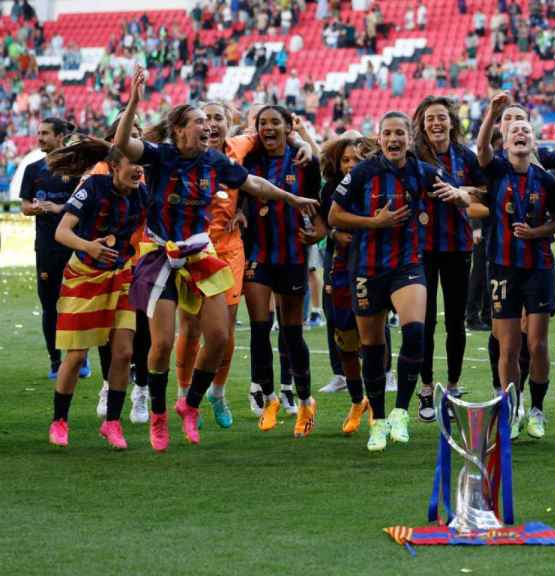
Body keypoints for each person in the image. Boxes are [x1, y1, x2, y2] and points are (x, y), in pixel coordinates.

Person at [115, 66, 319, 451]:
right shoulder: (161, 156)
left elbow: (254, 183)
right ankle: (158, 416)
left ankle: (189, 405)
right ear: (178, 130)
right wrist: (133, 103)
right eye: (197, 122)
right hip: (161, 253)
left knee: (221, 337)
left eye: (209, 122)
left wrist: (292, 198)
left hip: (198, 252)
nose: (206, 127)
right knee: (159, 345)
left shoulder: (216, 161)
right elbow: (125, 143)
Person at [329, 111, 476, 452]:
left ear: (410, 139)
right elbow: (334, 215)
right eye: (388, 134)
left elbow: (459, 191)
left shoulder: (422, 172)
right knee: (373, 348)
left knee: (415, 332)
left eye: (400, 134)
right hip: (366, 267)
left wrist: (460, 196)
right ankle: (378, 421)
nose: (394, 140)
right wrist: (374, 222)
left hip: (407, 264)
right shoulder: (363, 173)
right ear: (379, 139)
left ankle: (400, 412)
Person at [477, 92, 555, 441]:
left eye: (526, 130)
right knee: (509, 346)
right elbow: (481, 148)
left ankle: (538, 409)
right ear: (505, 138)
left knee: (538, 344)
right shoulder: (496, 170)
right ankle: (510, 408)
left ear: (533, 139)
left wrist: (536, 232)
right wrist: (491, 112)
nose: (520, 133)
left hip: (538, 268)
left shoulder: (546, 181)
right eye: (514, 130)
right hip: (502, 267)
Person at [48, 147, 145, 449]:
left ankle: (112, 423)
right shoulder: (93, 186)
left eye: (143, 165)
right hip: (84, 276)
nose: (140, 170)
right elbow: (62, 232)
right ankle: (60, 421)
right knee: (76, 356)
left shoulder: (143, 194)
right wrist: (88, 246)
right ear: (115, 166)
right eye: (134, 164)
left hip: (121, 276)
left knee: (124, 353)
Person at [243, 105, 325, 438]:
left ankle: (305, 401)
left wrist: (318, 233)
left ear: (288, 126)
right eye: (263, 123)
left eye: (275, 122)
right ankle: (270, 398)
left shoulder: (305, 160)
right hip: (257, 254)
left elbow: (321, 205)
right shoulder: (248, 158)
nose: (268, 128)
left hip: (292, 253)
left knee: (292, 333)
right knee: (260, 328)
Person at [411, 96, 487, 422]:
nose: (436, 123)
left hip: (457, 247)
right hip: (421, 248)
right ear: (422, 123)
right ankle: (426, 388)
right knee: (424, 321)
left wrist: (462, 191)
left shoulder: (465, 157)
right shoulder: (413, 157)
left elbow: (486, 192)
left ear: (452, 122)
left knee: (456, 321)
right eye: (430, 118)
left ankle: (453, 386)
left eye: (442, 117)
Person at [20, 118, 92, 381]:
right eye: (38, 133)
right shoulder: (32, 169)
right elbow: (25, 206)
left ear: (60, 137)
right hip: (47, 248)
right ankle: (55, 361)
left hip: (75, 245)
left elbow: (86, 203)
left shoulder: (77, 169)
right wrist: (35, 208)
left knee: (79, 303)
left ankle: (81, 357)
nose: (40, 138)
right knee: (50, 305)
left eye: (45, 134)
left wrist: (60, 208)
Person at [319, 133, 375, 433]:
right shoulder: (331, 189)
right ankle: (356, 399)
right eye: (345, 160)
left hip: (374, 267)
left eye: (357, 159)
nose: (351, 165)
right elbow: (323, 224)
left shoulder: (376, 185)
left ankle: (377, 408)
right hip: (340, 269)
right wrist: (333, 233)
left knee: (373, 335)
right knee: (345, 337)